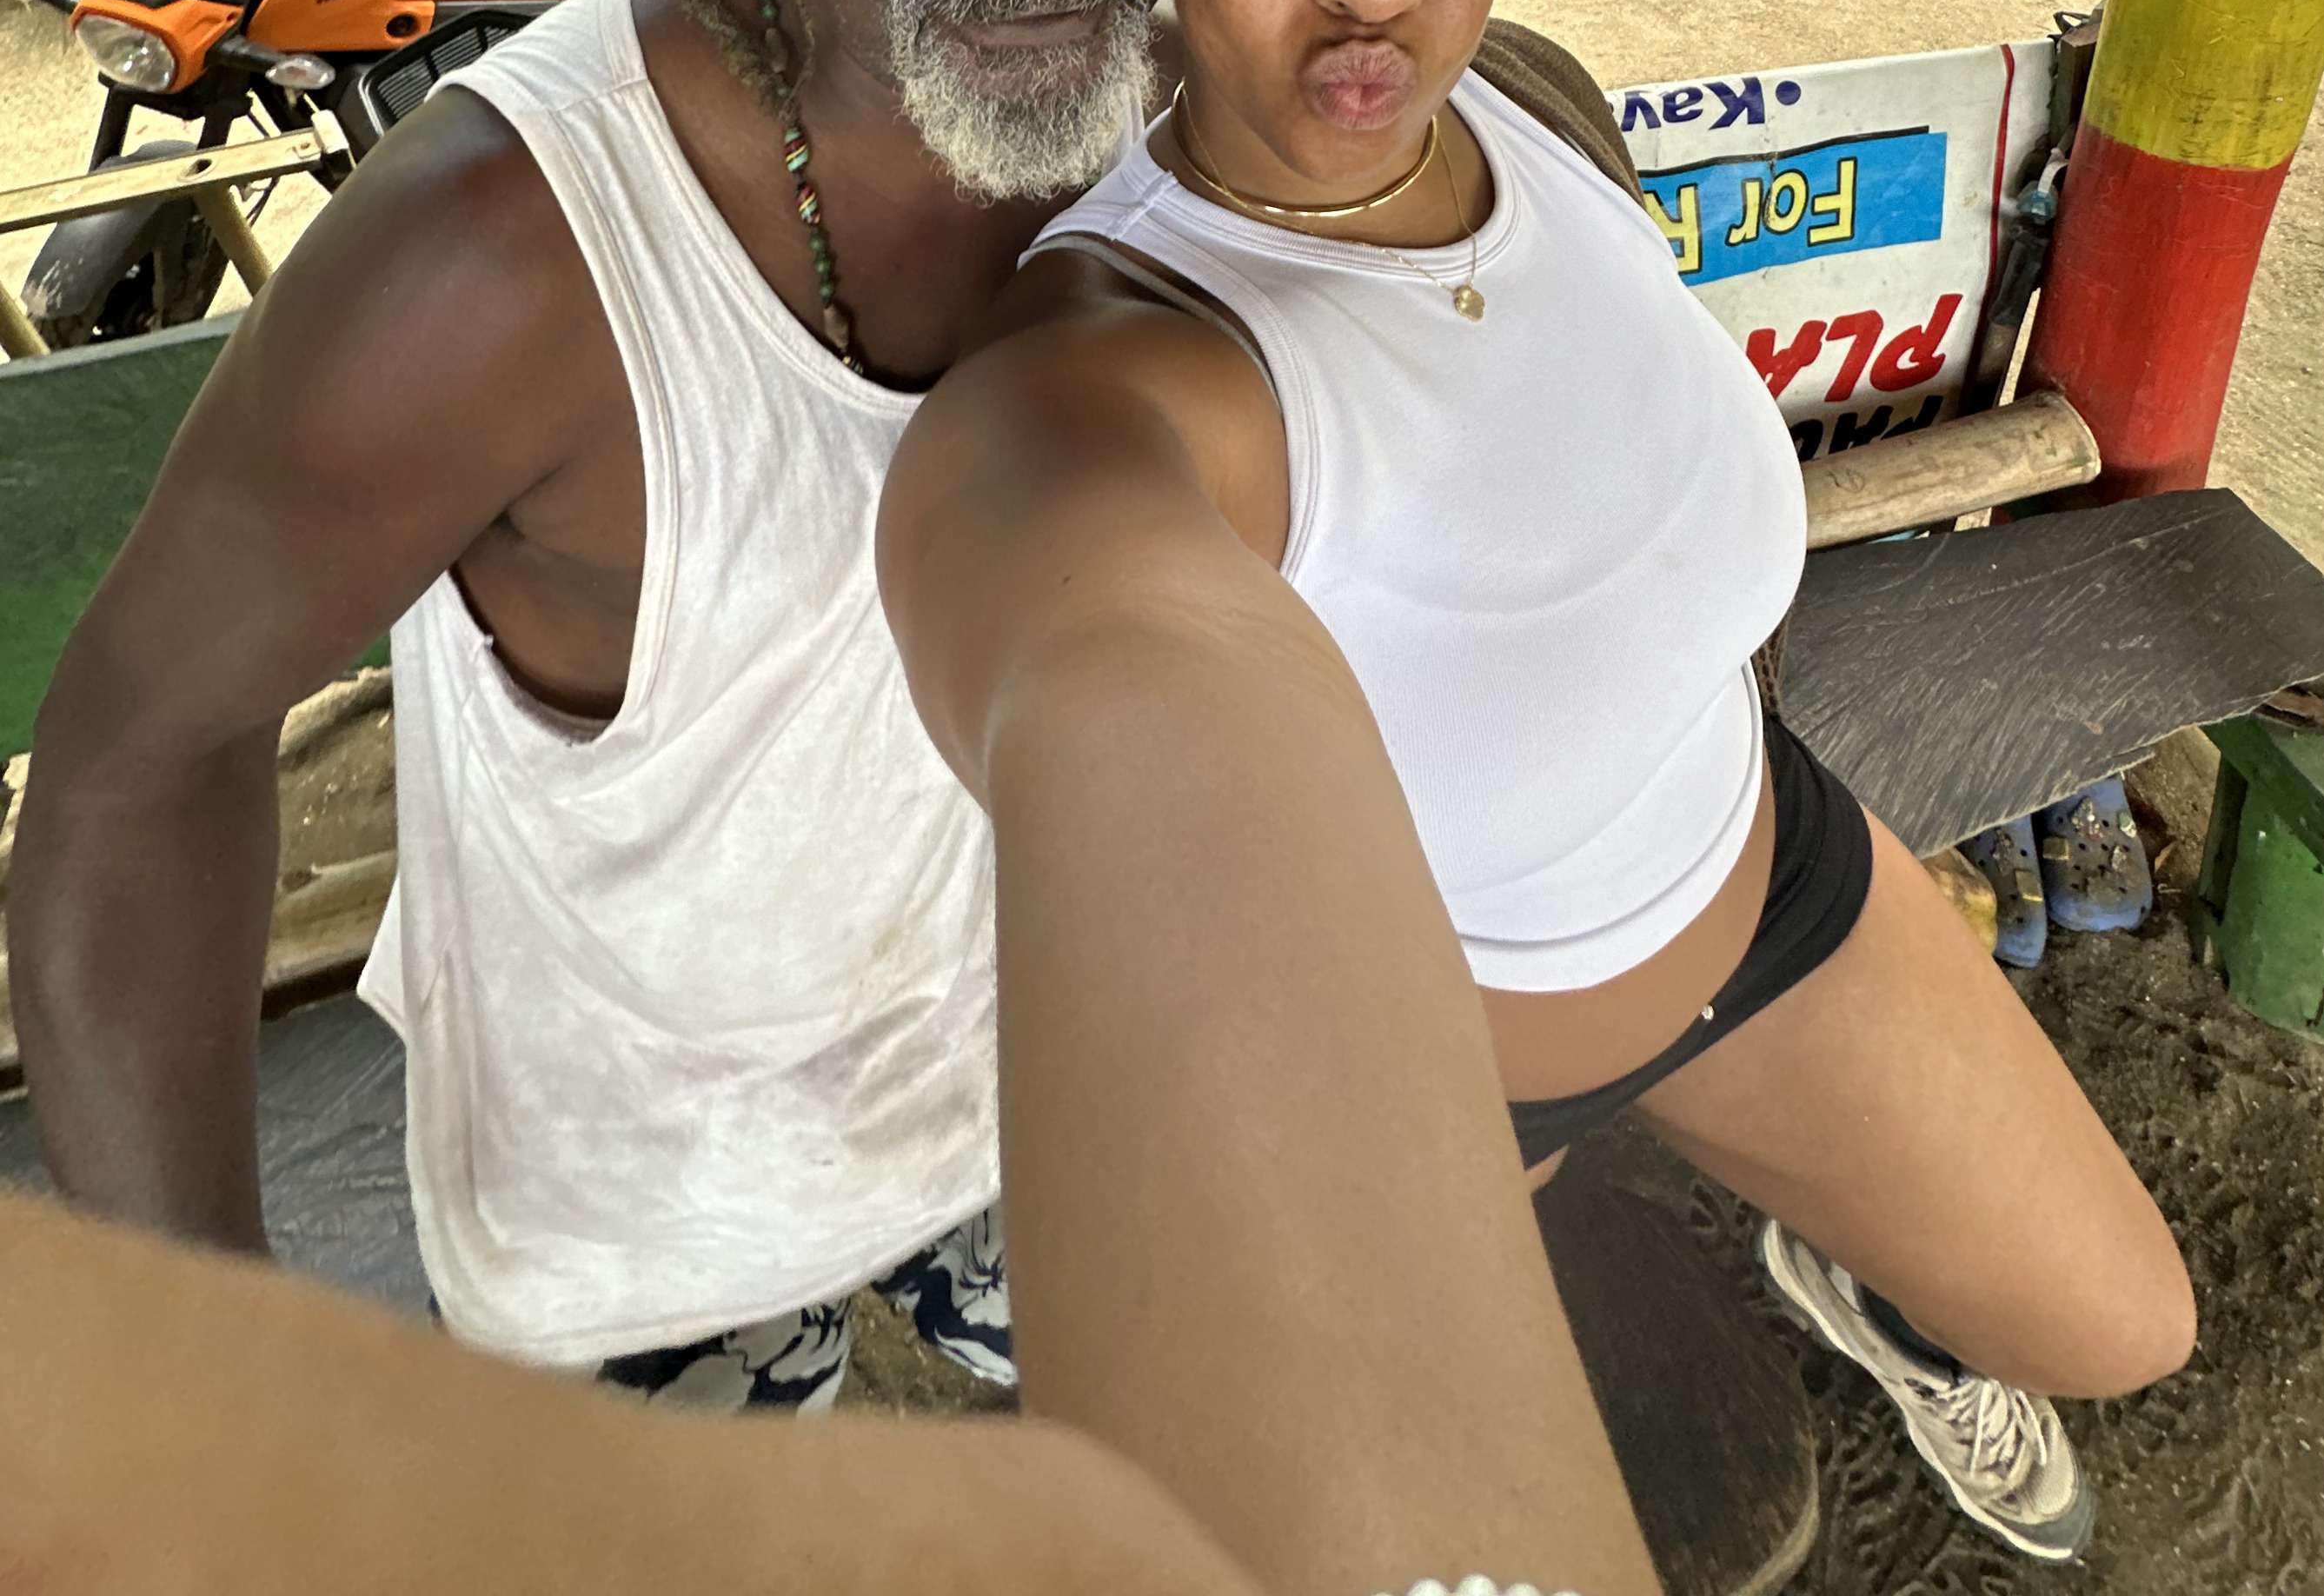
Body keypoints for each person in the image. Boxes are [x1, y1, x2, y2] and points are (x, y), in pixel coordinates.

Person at [885, 0, 2201, 1570]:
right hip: (1434, 1091)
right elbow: (1056, 584)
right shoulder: (1136, 362)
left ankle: (1849, 1274)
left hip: (1771, 891)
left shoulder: (1532, 108)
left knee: (2123, 1322)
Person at [8, 0, 1207, 1406]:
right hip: (654, 1216)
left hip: (1047, 1079)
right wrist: (203, 1407)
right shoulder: (501, 261)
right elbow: (143, 763)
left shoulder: (1177, 90)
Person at [9, 376, 1655, 1596]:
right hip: (633, 1189)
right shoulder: (503, 256)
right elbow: (135, 757)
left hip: (981, 1096)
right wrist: (240, 1390)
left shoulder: (1203, 146)